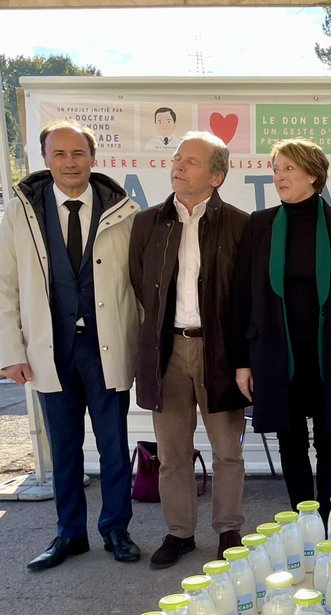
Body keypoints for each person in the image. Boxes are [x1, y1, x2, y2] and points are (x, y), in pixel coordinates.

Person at [0, 120, 142, 570]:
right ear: (45, 159)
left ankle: (116, 529)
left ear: (93, 158)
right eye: (59, 154)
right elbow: (5, 287)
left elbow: (137, 288)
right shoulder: (20, 212)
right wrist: (11, 351)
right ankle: (69, 534)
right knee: (64, 448)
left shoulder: (124, 211)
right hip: (50, 349)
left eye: (77, 153)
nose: (69, 162)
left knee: (114, 445)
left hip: (106, 348)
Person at [232, 137, 331, 523]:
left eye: (288, 168)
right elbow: (243, 298)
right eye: (276, 169)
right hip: (278, 355)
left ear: (313, 174)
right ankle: (301, 520)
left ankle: (330, 522)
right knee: (289, 440)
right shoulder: (258, 227)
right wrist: (242, 362)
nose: (279, 176)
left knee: (330, 441)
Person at [130, 131, 250, 568]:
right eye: (177, 158)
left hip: (219, 352)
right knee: (173, 452)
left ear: (216, 175)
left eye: (191, 161)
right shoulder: (147, 224)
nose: (178, 166)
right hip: (167, 352)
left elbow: (246, 299)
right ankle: (179, 533)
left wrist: (244, 359)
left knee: (226, 449)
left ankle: (228, 529)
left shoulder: (240, 224)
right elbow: (140, 287)